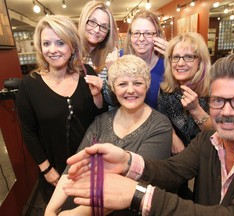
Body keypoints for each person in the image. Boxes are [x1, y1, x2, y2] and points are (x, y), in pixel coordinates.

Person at [63, 53, 234, 216]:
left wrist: (138, 195)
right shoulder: (209, 140)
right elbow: (173, 170)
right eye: (218, 100)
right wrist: (127, 162)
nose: (226, 112)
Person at [45, 55, 172, 215]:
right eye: (122, 84)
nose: (131, 90)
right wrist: (51, 209)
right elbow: (74, 167)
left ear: (147, 85)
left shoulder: (160, 126)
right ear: (112, 87)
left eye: (138, 83)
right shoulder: (101, 121)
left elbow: (133, 186)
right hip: (84, 197)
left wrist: (74, 214)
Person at [15, 15, 107, 203]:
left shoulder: (86, 73)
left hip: (91, 169)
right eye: (46, 43)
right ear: (40, 47)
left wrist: (98, 95)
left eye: (60, 42)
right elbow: (28, 133)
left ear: (72, 46)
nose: (53, 50)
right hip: (55, 173)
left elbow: (102, 119)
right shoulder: (29, 85)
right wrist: (47, 169)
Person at [158, 32, 212, 154]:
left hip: (209, 155)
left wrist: (196, 110)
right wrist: (172, 136)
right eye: (176, 57)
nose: (180, 63)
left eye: (188, 57)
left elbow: (217, 133)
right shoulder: (166, 89)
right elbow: (163, 120)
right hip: (177, 157)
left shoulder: (214, 89)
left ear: (200, 62)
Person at [105, 9, 168, 109]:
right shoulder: (117, 59)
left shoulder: (166, 62)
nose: (141, 39)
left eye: (148, 33)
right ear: (130, 36)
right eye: (136, 33)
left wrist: (175, 57)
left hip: (158, 122)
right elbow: (110, 102)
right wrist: (111, 75)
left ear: (157, 35)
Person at [78, 1, 118, 80]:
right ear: (84, 21)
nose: (97, 30)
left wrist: (113, 71)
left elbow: (114, 91)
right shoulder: (70, 51)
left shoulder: (111, 57)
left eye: (103, 27)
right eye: (92, 22)